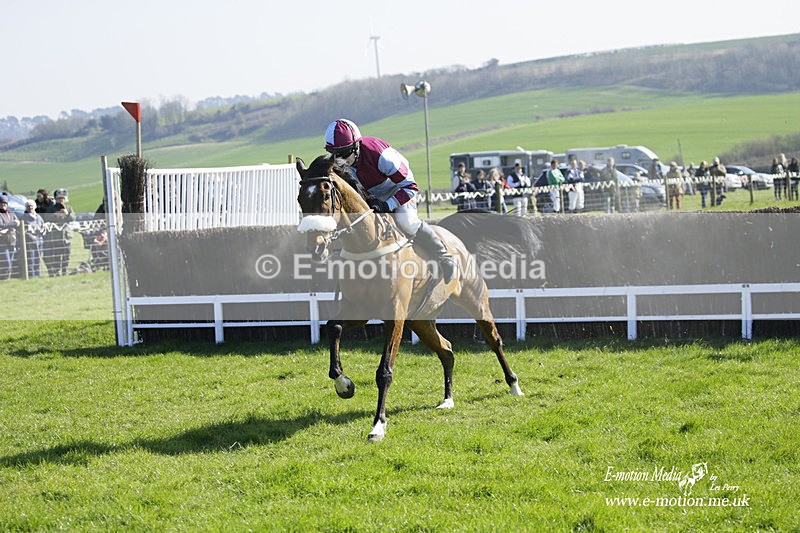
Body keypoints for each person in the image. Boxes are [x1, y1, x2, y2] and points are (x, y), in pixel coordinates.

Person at [324, 119, 457, 283]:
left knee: (407, 222)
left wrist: (387, 205)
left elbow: (410, 187)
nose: (338, 159)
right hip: (371, 195)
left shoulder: (382, 156)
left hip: (398, 189)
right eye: (333, 152)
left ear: (356, 146)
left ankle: (445, 257)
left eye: (343, 152)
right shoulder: (339, 159)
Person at [44, 188, 76, 276]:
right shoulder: (51, 208)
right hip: (55, 236)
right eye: (59, 198)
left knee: (66, 255)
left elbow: (73, 218)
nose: (61, 200)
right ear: (56, 199)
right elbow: (47, 218)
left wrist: (67, 213)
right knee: (57, 255)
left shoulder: (69, 208)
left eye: (63, 198)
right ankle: (57, 271)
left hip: (67, 236)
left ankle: (65, 271)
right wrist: (56, 215)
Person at [19, 200, 45, 277]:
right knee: (31, 260)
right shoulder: (23, 218)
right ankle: (31, 276)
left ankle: (38, 276)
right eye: (28, 206)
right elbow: (21, 230)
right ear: (26, 208)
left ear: (35, 207)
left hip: (39, 242)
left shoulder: (39, 217)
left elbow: (42, 226)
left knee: (38, 260)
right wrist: (30, 236)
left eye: (31, 206)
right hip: (29, 243)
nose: (30, 207)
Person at [0, 196, 20, 280]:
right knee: (6, 261)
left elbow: (18, 222)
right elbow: (1, 225)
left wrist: (14, 223)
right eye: (1, 203)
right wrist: (13, 224)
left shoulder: (11, 212)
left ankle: (7, 278)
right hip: (2, 241)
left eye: (5, 203)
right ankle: (3, 277)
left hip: (12, 240)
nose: (3, 205)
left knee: (10, 261)